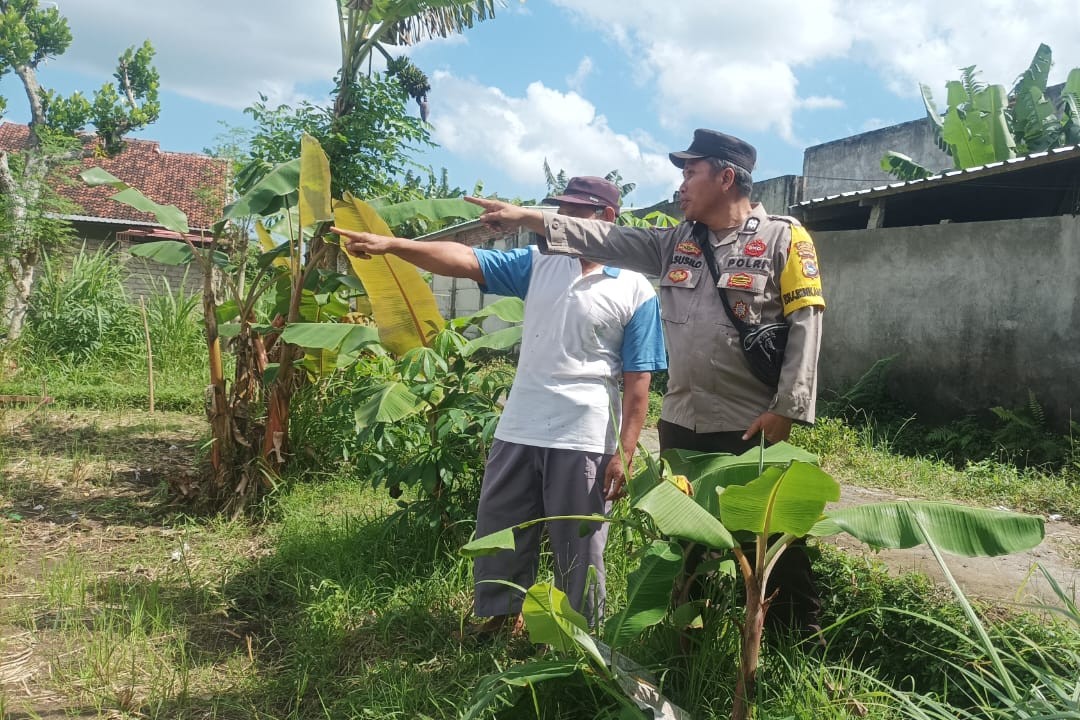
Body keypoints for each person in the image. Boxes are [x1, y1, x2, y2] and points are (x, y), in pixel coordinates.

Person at [464, 129, 827, 636]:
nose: (681, 186)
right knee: (687, 540)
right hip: (682, 419)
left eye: (689, 173)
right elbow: (606, 238)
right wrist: (525, 217)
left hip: (750, 421)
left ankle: (796, 637)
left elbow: (807, 321)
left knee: (769, 538)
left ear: (726, 177)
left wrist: (788, 406)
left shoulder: (784, 239)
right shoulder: (677, 242)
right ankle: (690, 634)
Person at [332, 176, 666, 634]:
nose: (558, 222)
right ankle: (496, 618)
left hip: (583, 434)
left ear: (605, 219)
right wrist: (394, 245)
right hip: (520, 425)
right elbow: (466, 260)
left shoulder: (635, 290)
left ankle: (580, 639)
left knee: (580, 544)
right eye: (557, 211)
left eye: (572, 213)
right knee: (499, 528)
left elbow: (639, 380)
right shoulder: (539, 263)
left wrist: (625, 451)